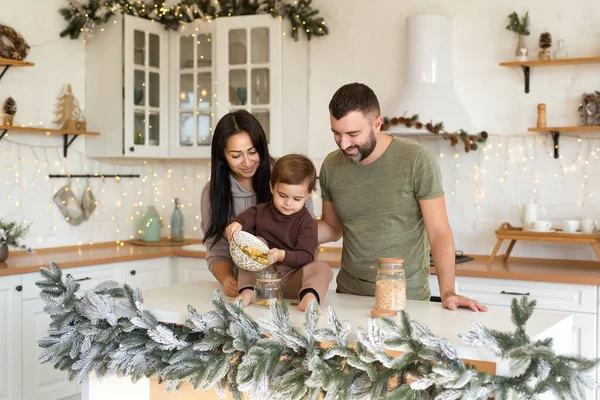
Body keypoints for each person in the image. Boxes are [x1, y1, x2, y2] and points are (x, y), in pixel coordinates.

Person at [317, 82, 487, 312]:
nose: (344, 143)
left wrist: (447, 291)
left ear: (377, 124)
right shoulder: (331, 165)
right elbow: (331, 227)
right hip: (349, 296)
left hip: (408, 300)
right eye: (336, 133)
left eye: (353, 134)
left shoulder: (416, 159)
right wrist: (282, 228)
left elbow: (438, 231)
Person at [225, 154, 333, 311]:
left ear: (307, 195)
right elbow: (243, 221)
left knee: (322, 267)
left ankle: (309, 297)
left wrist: (282, 255)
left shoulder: (307, 222)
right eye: (282, 195)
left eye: (297, 199)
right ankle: (249, 291)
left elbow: (306, 256)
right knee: (257, 242)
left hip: (292, 280)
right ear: (271, 187)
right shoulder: (259, 211)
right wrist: (235, 225)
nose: (288, 203)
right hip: (261, 280)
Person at [201, 110, 273, 297]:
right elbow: (216, 250)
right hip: (243, 291)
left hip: (283, 287)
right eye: (236, 155)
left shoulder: (283, 179)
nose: (247, 162)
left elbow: (307, 239)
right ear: (222, 155)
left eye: (252, 151)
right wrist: (226, 280)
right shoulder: (212, 193)